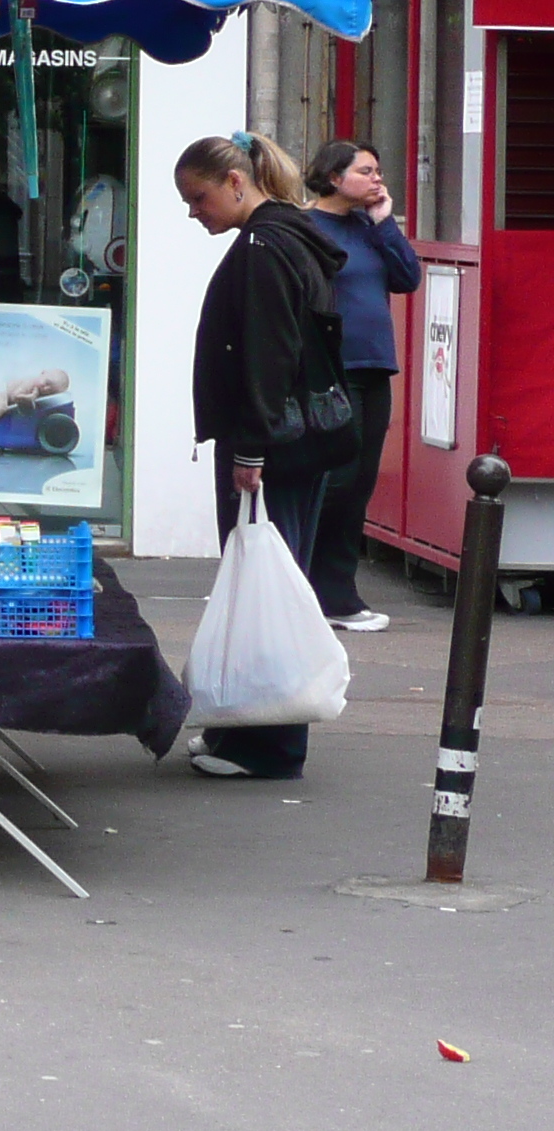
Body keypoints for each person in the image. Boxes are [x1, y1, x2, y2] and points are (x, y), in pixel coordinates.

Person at [176, 130, 347, 782]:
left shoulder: (261, 248)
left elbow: (266, 356)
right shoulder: (288, 237)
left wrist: (250, 449)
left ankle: (267, 746)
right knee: (268, 583)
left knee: (267, 588)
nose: (195, 212)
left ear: (237, 182)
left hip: (270, 443)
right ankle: (241, 730)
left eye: (199, 197)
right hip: (298, 439)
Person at [300, 140, 422, 633]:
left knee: (360, 482)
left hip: (375, 367)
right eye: (366, 171)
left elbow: (408, 277)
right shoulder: (306, 226)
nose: (378, 179)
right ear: (334, 177)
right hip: (333, 369)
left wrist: (386, 222)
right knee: (335, 478)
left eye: (378, 170)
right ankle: (306, 587)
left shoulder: (369, 228)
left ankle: (339, 593)